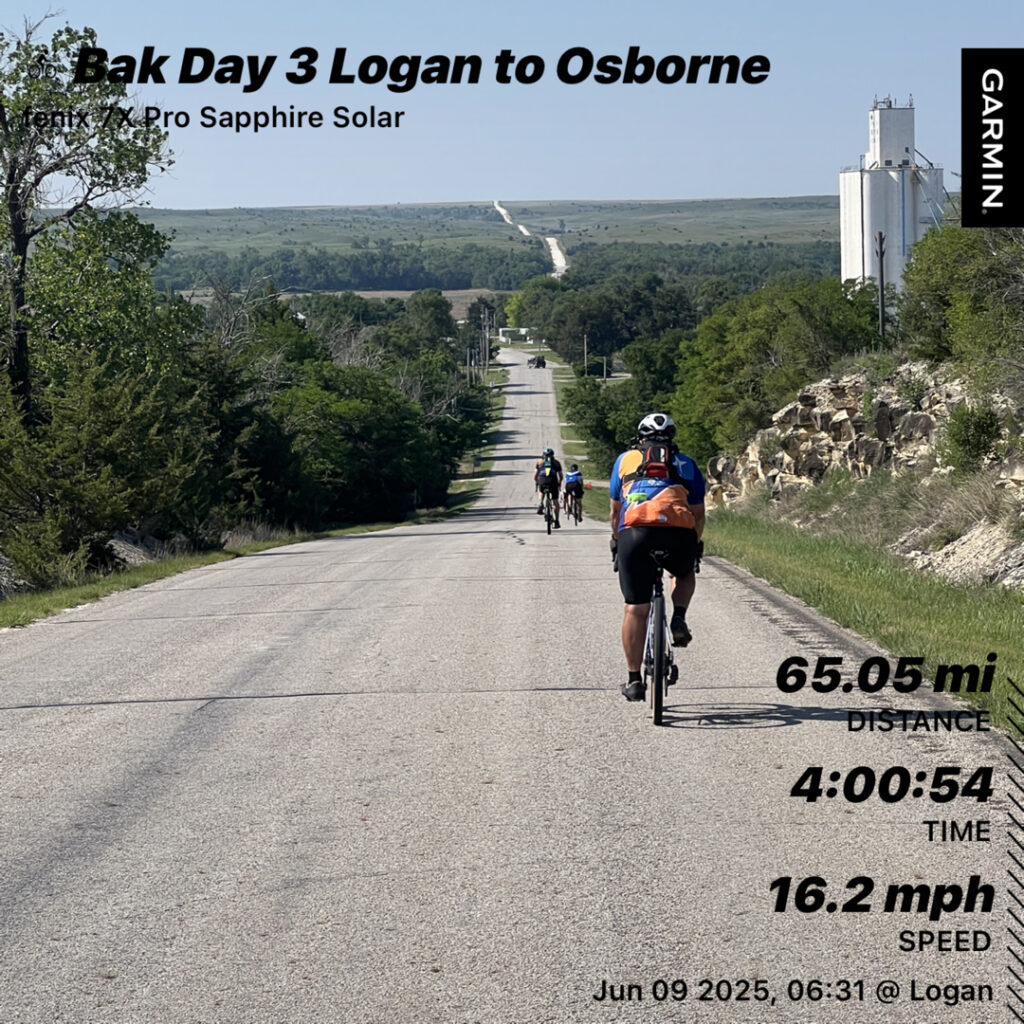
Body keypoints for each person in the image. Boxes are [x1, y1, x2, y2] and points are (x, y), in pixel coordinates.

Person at [609, 413, 705, 701]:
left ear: (640, 438)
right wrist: (695, 544)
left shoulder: (625, 461)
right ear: (672, 438)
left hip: (635, 534)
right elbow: (698, 514)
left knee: (635, 609)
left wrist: (617, 541)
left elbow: (615, 512)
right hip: (678, 533)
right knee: (684, 571)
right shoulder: (686, 464)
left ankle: (634, 680)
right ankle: (678, 617)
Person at [534, 447, 562, 528]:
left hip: (542, 480)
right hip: (553, 481)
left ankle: (541, 503)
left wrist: (537, 481)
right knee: (555, 501)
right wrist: (559, 482)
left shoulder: (539, 462)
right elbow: (560, 476)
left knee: (541, 491)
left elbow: (535, 475)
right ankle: (556, 521)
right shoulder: (556, 463)